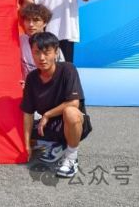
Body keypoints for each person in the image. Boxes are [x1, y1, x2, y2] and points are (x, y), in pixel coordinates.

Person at [21, 32, 92, 178]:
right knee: (17, 128)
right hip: (48, 126)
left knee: (70, 112)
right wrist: (26, 145)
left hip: (72, 123)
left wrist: (47, 114)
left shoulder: (68, 69)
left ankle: (71, 158)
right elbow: (28, 113)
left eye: (47, 52)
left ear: (56, 52)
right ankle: (58, 145)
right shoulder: (31, 78)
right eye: (37, 53)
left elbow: (73, 103)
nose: (42, 58)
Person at [18, 3, 64, 80]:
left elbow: (60, 75)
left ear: (45, 23)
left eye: (36, 20)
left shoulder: (51, 43)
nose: (31, 24)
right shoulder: (19, 41)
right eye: (28, 20)